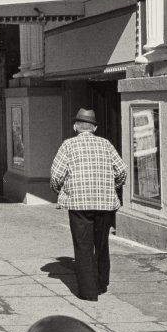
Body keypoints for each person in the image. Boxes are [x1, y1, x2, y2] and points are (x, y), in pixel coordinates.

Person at [49, 108, 127, 301]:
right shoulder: (106, 144)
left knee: (83, 247)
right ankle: (102, 283)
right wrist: (112, 187)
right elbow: (122, 171)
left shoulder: (68, 145)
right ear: (95, 127)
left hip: (79, 203)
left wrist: (61, 190)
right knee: (101, 244)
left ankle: (89, 292)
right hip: (105, 203)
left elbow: (56, 175)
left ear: (75, 126)